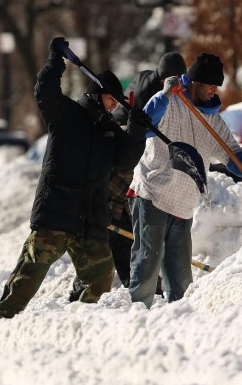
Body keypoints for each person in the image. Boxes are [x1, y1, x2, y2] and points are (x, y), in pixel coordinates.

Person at [0, 37, 150, 320]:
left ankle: (80, 319)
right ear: (96, 93)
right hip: (57, 211)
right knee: (31, 271)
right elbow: (44, 91)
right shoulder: (67, 114)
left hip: (89, 218)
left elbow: (125, 159)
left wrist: (137, 131)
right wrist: (55, 61)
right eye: (110, 97)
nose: (114, 104)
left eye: (117, 100)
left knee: (101, 275)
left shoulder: (109, 131)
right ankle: (4, 317)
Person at [128, 52, 242, 309]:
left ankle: (180, 322)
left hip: (183, 205)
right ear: (194, 83)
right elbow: (144, 125)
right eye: (210, 85)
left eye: (217, 86)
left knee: (181, 279)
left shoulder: (213, 120)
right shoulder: (171, 103)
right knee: (146, 266)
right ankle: (137, 321)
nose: (214, 91)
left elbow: (231, 151)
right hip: (152, 194)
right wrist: (165, 94)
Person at [69, 53, 187, 301]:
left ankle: (145, 291)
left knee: (125, 240)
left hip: (127, 176)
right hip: (116, 179)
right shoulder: (149, 96)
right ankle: (82, 293)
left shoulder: (152, 85)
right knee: (103, 244)